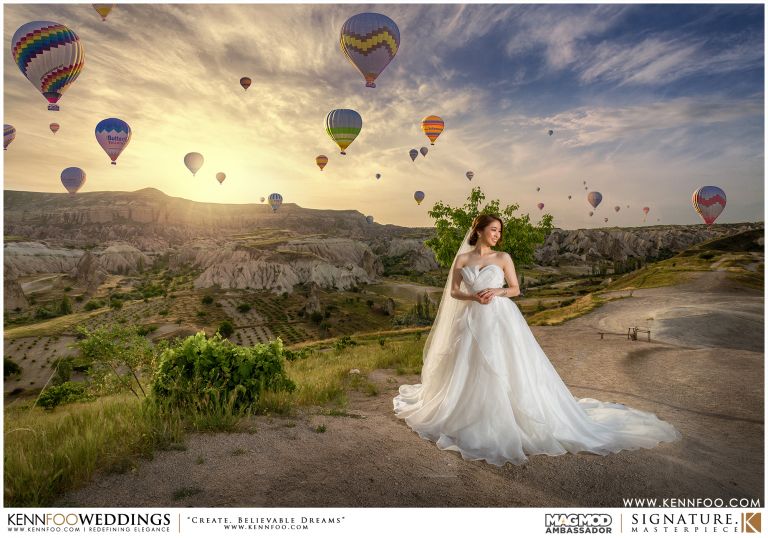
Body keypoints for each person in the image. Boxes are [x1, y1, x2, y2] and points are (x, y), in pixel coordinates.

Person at [393, 214, 681, 466]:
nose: (497, 235)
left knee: (508, 364)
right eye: (493, 229)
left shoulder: (503, 258)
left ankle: (510, 416)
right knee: (469, 365)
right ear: (478, 230)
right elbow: (454, 292)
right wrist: (473, 296)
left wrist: (496, 292)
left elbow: (516, 289)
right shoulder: (462, 259)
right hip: (470, 317)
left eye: (499, 231)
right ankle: (468, 414)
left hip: (500, 317)